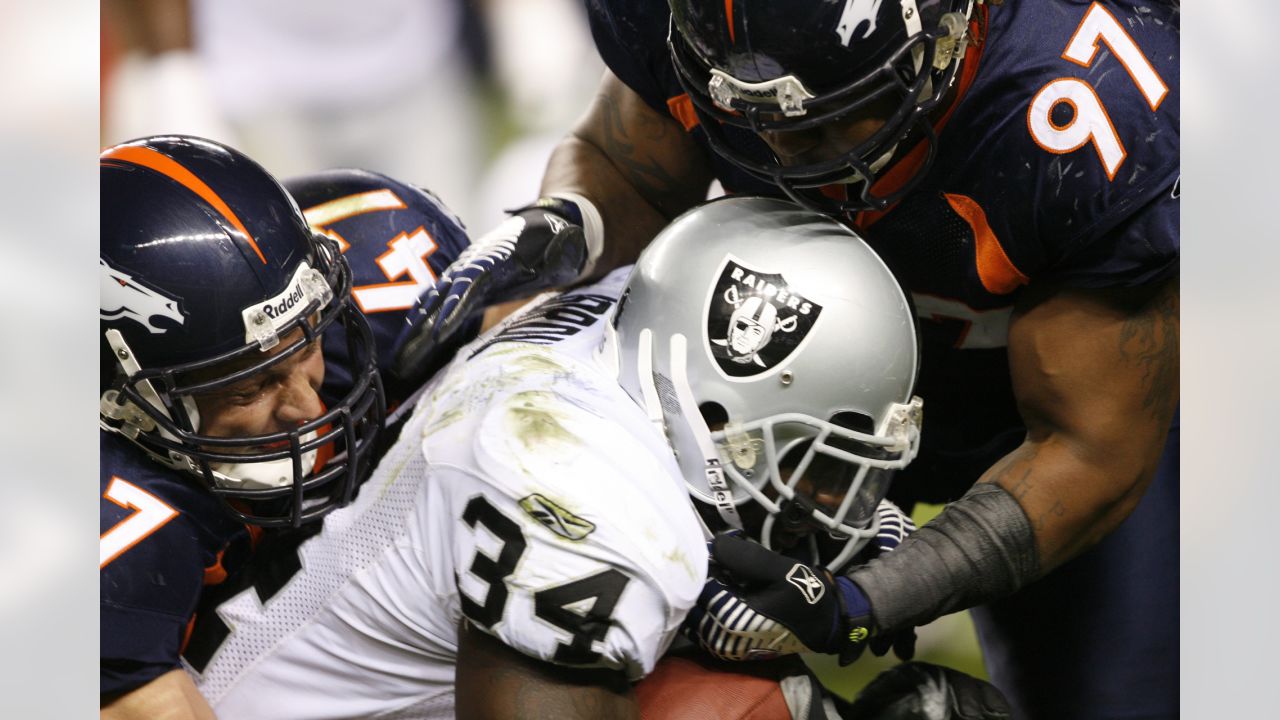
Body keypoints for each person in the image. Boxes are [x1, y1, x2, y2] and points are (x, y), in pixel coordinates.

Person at [403, 1, 1180, 717]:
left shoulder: (1080, 109)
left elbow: (1088, 448)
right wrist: (564, 228)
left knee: (1109, 695)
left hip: (1020, 406)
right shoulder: (678, 19)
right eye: (749, 119)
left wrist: (866, 599)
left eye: (830, 125)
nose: (783, 156)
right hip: (784, 377)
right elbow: (627, 159)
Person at [186, 196, 1009, 719]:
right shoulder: (583, 496)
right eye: (816, 464)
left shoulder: (630, 326)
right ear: (714, 412)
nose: (835, 503)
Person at [99, 135, 478, 718]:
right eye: (248, 386)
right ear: (117, 402)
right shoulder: (104, 511)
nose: (307, 407)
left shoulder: (387, 261)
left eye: (309, 342)